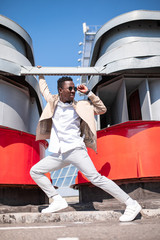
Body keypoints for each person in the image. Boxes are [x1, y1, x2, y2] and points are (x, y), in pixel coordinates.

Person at [30, 72, 142, 222]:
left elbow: (102, 109)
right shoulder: (53, 102)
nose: (72, 91)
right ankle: (57, 200)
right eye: (69, 89)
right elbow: (44, 89)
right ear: (60, 90)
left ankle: (131, 204)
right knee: (35, 171)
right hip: (60, 152)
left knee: (96, 178)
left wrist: (89, 93)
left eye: (74, 89)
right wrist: (40, 74)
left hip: (76, 150)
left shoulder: (82, 105)